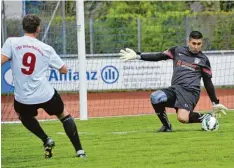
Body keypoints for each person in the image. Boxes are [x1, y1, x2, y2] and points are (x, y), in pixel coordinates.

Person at [1, 14, 86, 158]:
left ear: (23, 28)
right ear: (38, 29)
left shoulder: (11, 42)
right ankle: (80, 151)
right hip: (45, 94)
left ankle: (46, 139)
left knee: (23, 115)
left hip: (23, 97)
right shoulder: (46, 48)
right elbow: (64, 70)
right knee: (63, 114)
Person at [119, 31, 228, 132]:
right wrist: (138, 56)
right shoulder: (177, 50)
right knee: (155, 97)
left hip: (190, 92)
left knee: (182, 118)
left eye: (199, 44)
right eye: (193, 43)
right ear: (188, 41)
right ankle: (166, 126)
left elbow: (207, 82)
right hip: (175, 89)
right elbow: (159, 56)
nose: (196, 47)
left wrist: (215, 102)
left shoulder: (203, 59)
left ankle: (207, 117)